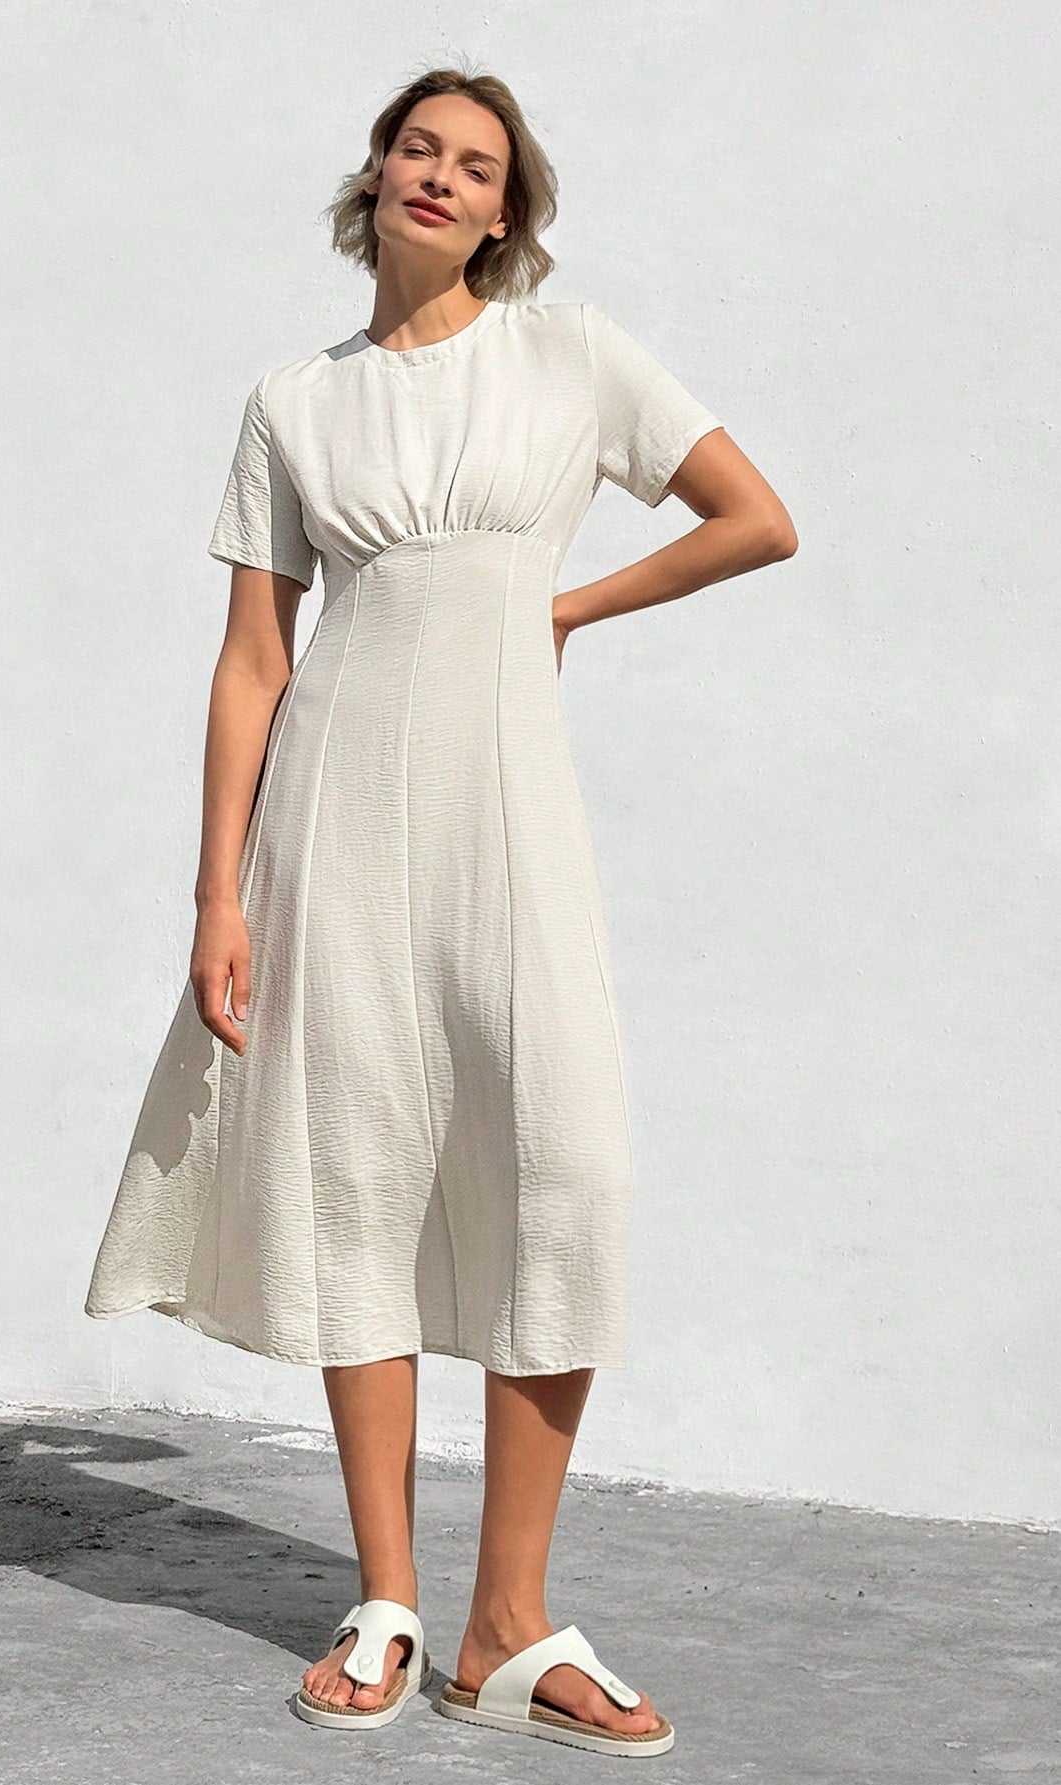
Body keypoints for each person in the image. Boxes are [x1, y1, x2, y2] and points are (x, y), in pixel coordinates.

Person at [85, 64, 796, 1758]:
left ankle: (511, 1617)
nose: (441, 177)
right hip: (330, 811)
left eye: (477, 166)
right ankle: (393, 1600)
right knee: (357, 1174)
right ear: (378, 174)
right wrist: (215, 891)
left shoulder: (573, 357)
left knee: (566, 1165)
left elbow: (756, 518)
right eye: (419, 147)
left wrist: (568, 606)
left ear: (504, 211)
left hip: (506, 810)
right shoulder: (294, 403)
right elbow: (253, 661)